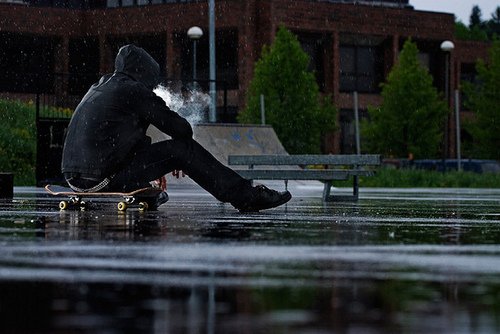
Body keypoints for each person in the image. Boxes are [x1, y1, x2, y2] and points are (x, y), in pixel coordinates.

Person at [61, 44, 291, 212]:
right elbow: (182, 131)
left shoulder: (98, 87)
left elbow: (114, 138)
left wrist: (157, 164)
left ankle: (146, 189)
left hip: (73, 176)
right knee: (184, 150)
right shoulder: (136, 91)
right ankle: (246, 196)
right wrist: (172, 156)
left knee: (159, 147)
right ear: (144, 74)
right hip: (104, 176)